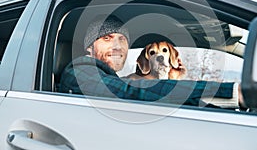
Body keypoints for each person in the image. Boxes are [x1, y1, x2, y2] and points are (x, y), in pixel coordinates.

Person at [59, 16, 243, 108]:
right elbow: (128, 91)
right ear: (89, 47)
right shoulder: (79, 71)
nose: (117, 47)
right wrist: (231, 92)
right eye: (107, 38)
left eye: (122, 40)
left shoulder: (106, 76)